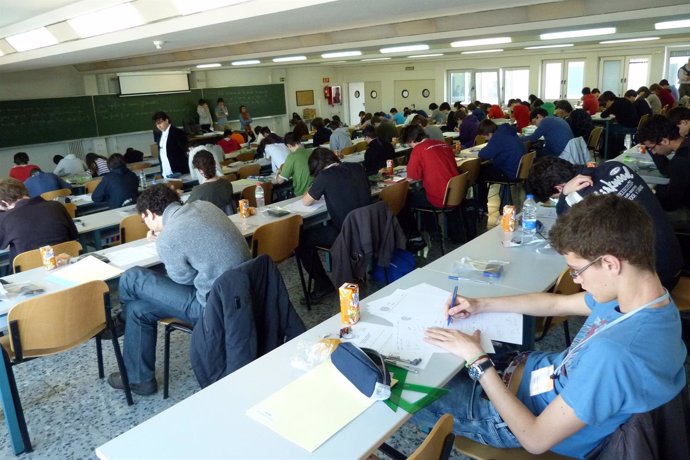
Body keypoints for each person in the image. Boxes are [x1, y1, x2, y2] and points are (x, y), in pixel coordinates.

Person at [415, 193, 686, 459]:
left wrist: (478, 361)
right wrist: (480, 304)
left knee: (416, 388)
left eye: (577, 270)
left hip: (516, 421)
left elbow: (534, 439)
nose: (577, 280)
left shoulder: (615, 353)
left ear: (610, 263)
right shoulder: (646, 299)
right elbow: (557, 305)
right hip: (531, 372)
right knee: (445, 354)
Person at [108, 184, 250, 396]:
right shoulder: (204, 206)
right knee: (138, 310)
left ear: (151, 214)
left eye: (144, 219)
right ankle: (139, 378)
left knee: (132, 277)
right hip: (241, 294)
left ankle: (121, 321)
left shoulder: (169, 237)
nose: (146, 224)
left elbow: (183, 280)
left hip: (211, 308)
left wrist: (164, 243)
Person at [526, 156, 683, 290]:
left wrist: (563, 200)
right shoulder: (614, 166)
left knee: (587, 266)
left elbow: (568, 240)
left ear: (560, 187)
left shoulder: (574, 202)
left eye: (555, 197)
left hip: (654, 280)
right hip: (675, 258)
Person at [295, 148, 370, 303]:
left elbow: (305, 201)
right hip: (367, 227)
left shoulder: (324, 176)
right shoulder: (357, 167)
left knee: (301, 240)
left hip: (345, 233)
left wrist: (315, 185)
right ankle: (356, 270)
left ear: (316, 167)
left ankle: (322, 284)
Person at [0, 177, 78, 263]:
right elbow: (73, 235)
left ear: (4, 203)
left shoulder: (6, 218)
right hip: (66, 263)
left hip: (29, 271)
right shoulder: (57, 205)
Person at [637, 115, 690, 219]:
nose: (653, 151)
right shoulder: (685, 147)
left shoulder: (681, 161)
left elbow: (670, 204)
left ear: (665, 141)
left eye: (652, 148)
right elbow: (667, 169)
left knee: (640, 214)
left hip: (686, 211)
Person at [401, 124, 458, 209]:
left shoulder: (418, 150)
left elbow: (412, 177)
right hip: (456, 192)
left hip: (440, 198)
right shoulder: (442, 144)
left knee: (403, 199)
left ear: (410, 139)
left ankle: (428, 222)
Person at [475, 120, 526, 214]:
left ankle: (481, 206)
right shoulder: (508, 132)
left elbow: (483, 154)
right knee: (487, 168)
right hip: (519, 169)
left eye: (486, 137)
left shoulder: (498, 138)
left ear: (489, 133)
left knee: (478, 174)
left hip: (510, 172)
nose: (486, 139)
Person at [152, 111, 190, 177]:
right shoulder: (159, 134)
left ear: (166, 120)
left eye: (160, 122)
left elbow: (185, 150)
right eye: (157, 124)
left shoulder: (177, 132)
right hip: (165, 170)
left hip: (178, 170)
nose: (158, 126)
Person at [277, 132, 313, 196]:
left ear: (289, 145)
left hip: (302, 193)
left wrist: (278, 172)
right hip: (316, 191)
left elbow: (280, 181)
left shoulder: (292, 156)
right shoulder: (311, 152)